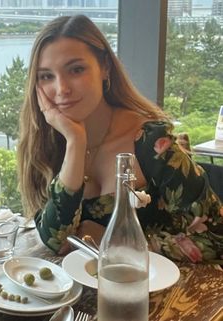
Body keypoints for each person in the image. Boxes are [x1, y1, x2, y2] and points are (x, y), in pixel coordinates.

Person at [17, 15, 223, 263]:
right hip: (84, 295)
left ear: (105, 67)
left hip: (167, 295)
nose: (61, 89)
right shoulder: (47, 143)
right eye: (46, 76)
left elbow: (216, 238)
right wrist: (75, 142)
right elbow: (57, 241)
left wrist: (117, 243)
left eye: (76, 70)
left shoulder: (152, 142)